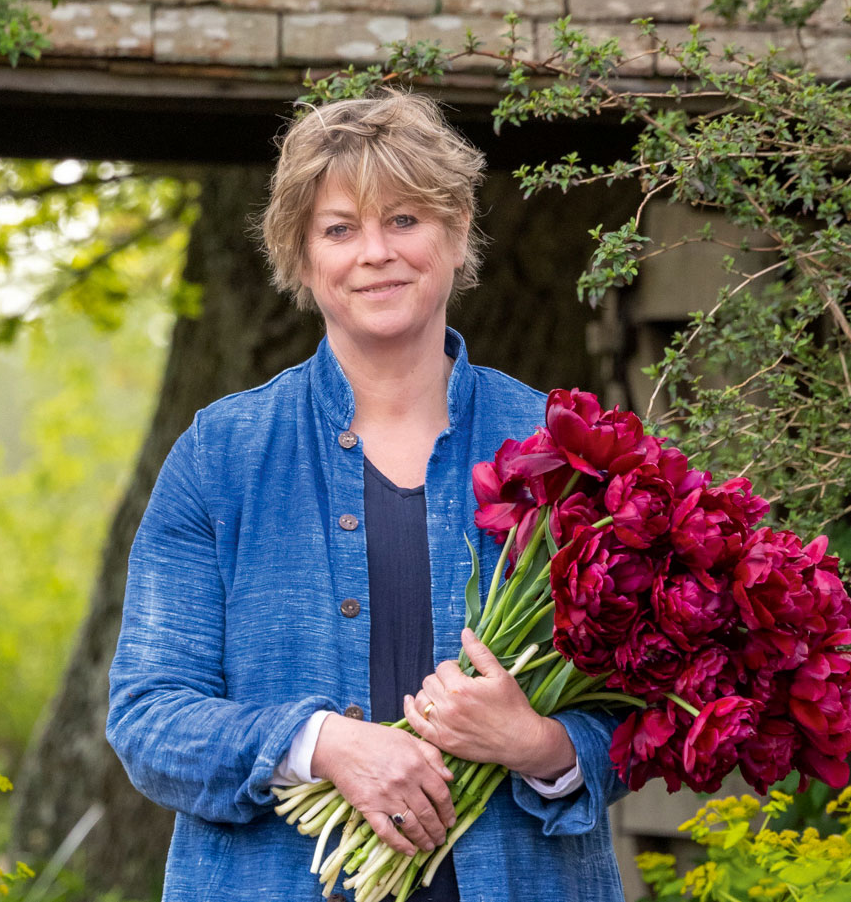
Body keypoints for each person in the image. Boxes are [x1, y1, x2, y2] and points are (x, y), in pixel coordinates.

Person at [106, 90, 627, 902]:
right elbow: (147, 716)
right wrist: (320, 743)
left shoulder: (560, 447)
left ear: (456, 234)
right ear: (303, 257)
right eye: (340, 229)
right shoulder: (222, 454)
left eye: (405, 220)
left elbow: (639, 701)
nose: (375, 252)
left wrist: (539, 744)